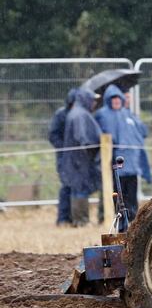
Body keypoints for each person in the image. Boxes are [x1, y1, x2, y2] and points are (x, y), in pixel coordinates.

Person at [95, 84, 150, 219]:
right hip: (114, 164)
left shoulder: (128, 114)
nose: (116, 101)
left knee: (131, 194)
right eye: (113, 99)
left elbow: (142, 132)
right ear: (108, 100)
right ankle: (117, 219)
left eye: (118, 98)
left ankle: (132, 219)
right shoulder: (103, 115)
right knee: (116, 194)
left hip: (131, 164)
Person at [63, 88, 102, 227]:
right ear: (85, 99)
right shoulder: (80, 115)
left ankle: (79, 220)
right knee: (80, 189)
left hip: (76, 159)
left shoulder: (77, 112)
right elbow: (81, 138)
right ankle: (81, 221)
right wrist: (90, 147)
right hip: (79, 160)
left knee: (78, 189)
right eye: (92, 100)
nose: (94, 103)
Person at [48, 88, 78, 226]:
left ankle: (72, 217)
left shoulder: (80, 115)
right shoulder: (61, 115)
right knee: (66, 185)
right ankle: (63, 218)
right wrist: (65, 148)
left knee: (76, 186)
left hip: (77, 158)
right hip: (64, 157)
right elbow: (53, 135)